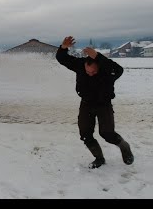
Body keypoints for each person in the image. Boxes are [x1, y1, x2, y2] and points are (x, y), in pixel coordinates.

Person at [56, 36, 134, 169]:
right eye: (87, 71)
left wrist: (98, 56)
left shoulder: (107, 70)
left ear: (99, 66)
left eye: (93, 72)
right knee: (85, 134)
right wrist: (63, 47)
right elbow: (62, 59)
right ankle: (99, 158)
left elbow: (119, 70)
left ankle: (124, 146)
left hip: (104, 104)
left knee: (107, 134)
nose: (90, 74)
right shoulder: (80, 65)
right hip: (86, 103)